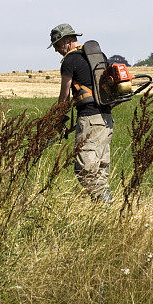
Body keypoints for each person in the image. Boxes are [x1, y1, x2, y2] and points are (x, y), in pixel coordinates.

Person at [48, 23, 113, 203]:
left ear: (68, 41)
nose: (56, 50)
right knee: (99, 170)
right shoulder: (98, 57)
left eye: (57, 45)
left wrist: (58, 118)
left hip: (89, 120)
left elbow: (64, 95)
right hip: (106, 119)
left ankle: (106, 206)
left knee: (84, 170)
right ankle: (104, 214)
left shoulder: (70, 61)